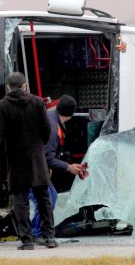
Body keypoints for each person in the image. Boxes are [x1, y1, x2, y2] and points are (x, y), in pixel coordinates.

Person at [0, 72, 57, 250]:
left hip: (15, 158)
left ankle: (27, 241)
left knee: (20, 200)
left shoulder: (2, 105)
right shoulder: (37, 102)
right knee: (43, 198)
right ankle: (49, 237)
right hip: (37, 156)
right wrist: (38, 146)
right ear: (25, 85)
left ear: (8, 87)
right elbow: (47, 129)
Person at [30, 95, 82, 243]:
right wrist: (68, 167)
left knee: (49, 197)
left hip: (34, 166)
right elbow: (47, 157)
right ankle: (37, 233)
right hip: (32, 169)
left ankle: (37, 232)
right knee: (48, 199)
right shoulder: (53, 129)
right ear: (71, 114)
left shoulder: (51, 116)